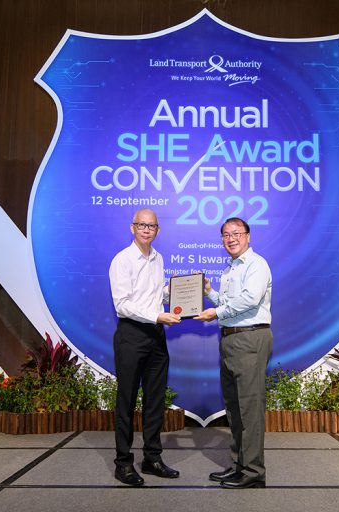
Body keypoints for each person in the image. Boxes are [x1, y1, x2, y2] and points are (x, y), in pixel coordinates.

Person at [194, 217, 273, 489]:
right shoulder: (229, 268)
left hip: (250, 338)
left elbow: (250, 299)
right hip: (230, 338)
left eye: (236, 233)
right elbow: (229, 304)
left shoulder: (256, 264)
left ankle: (253, 471)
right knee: (235, 407)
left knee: (249, 408)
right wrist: (209, 292)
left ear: (248, 236)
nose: (231, 238)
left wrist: (216, 312)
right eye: (226, 235)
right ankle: (240, 464)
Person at [108, 208, 181, 486]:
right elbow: (122, 305)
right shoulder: (122, 260)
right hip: (131, 335)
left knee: (155, 400)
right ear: (132, 228)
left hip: (156, 336)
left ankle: (152, 458)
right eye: (142, 225)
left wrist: (180, 290)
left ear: (158, 230)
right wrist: (157, 316)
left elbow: (155, 294)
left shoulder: (158, 258)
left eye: (151, 226)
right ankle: (123, 463)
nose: (147, 230)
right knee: (126, 400)